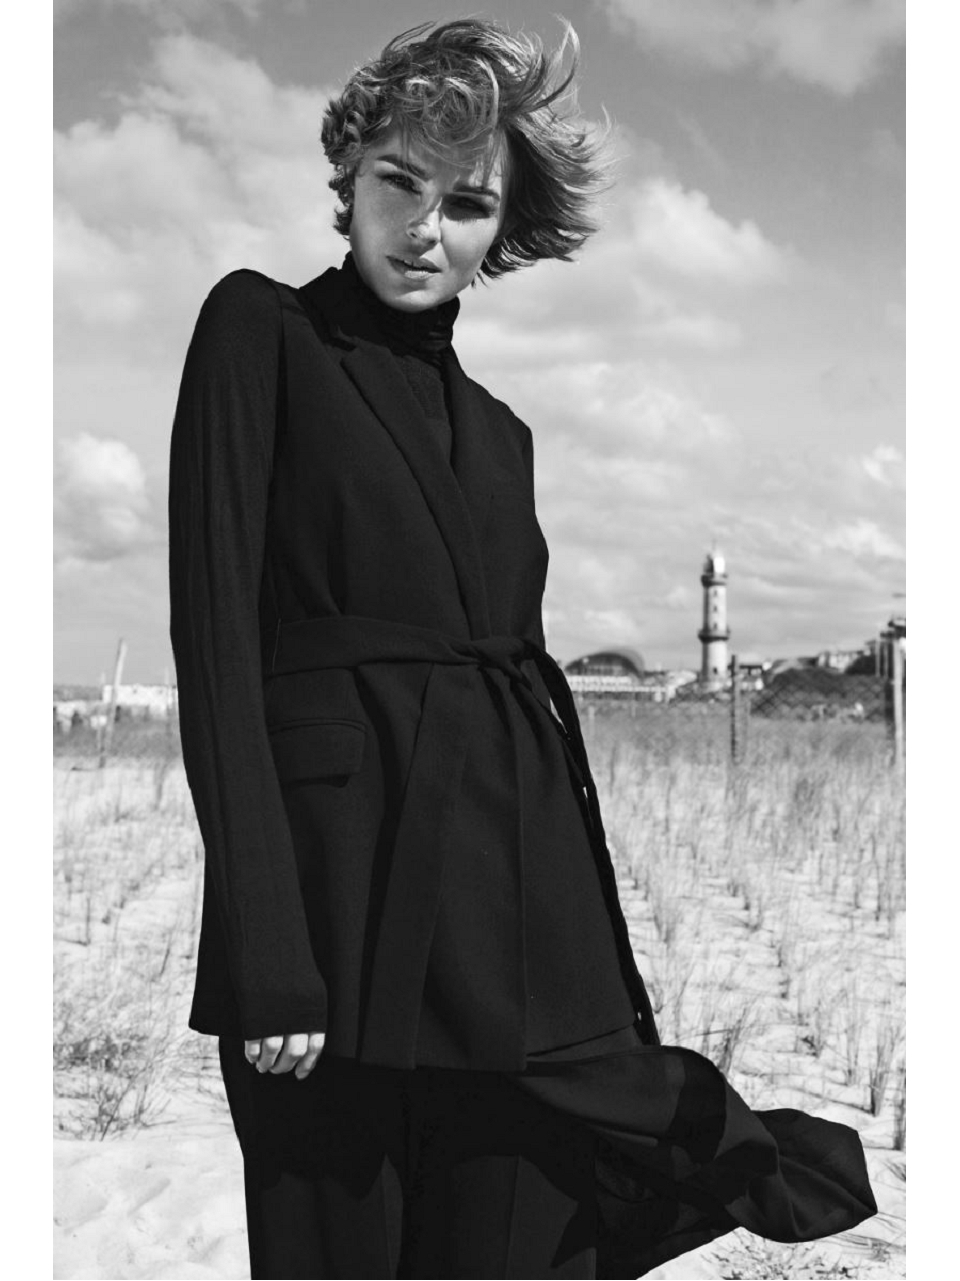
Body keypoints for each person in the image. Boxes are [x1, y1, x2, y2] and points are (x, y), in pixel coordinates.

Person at [168, 18, 876, 1280]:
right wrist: (265, 945)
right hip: (334, 913)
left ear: (503, 231)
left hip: (507, 919)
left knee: (514, 1243)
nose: (424, 228)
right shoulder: (259, 331)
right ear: (348, 179)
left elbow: (517, 710)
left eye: (467, 204)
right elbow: (215, 643)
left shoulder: (505, 436)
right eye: (399, 183)